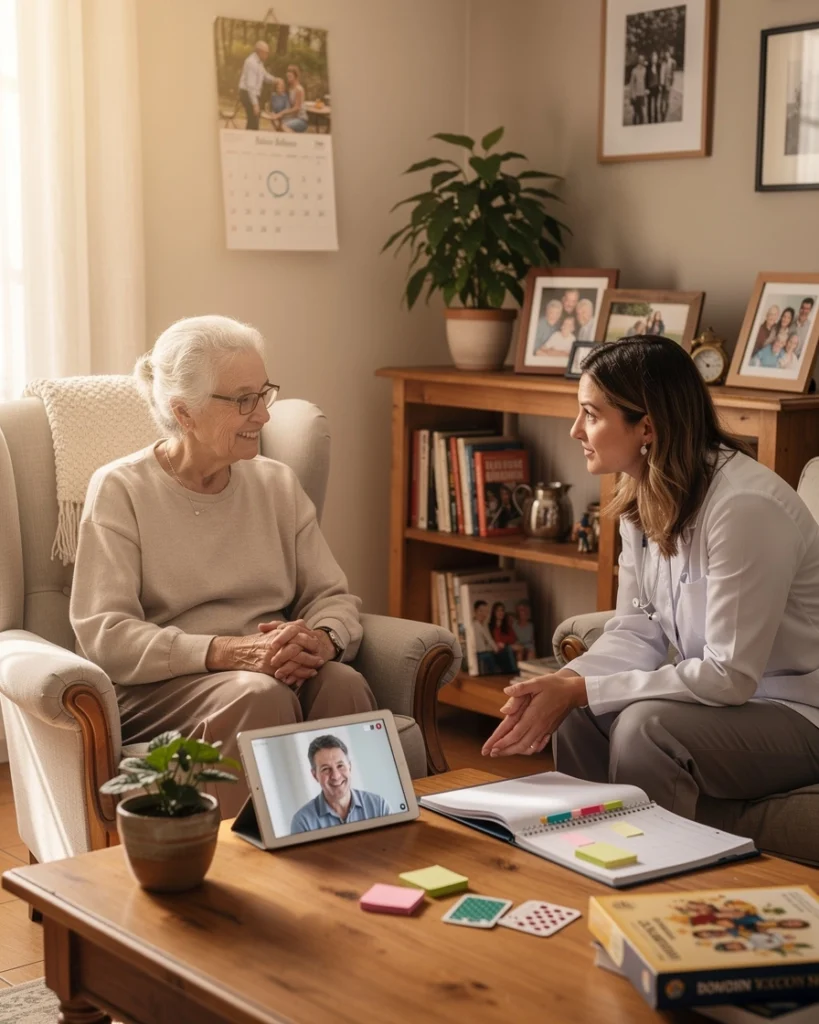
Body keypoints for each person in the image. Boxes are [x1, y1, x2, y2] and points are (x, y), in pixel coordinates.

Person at [481, 336, 819, 823]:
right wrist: (566, 684)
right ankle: (585, 852)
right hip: (730, 704)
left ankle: (652, 865)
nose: (576, 429)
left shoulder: (745, 508)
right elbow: (638, 630)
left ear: (647, 427)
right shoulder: (641, 495)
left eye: (590, 414)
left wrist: (583, 690)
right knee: (579, 715)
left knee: (645, 728)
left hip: (798, 712)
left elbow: (730, 676)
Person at [69, 316, 377, 819]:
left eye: (264, 393)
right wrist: (228, 651)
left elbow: (331, 596)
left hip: (268, 668)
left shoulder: (276, 484)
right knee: (261, 694)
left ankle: (350, 846)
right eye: (243, 400)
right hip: (163, 685)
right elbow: (107, 634)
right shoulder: (121, 489)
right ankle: (238, 859)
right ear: (184, 412)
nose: (264, 415)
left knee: (342, 682)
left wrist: (322, 640)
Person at [289, 734, 390, 833]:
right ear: (315, 775)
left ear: (349, 767)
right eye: (326, 769)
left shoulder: (378, 806)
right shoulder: (303, 823)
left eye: (340, 766)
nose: (336, 776)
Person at [238, 40, 279, 131]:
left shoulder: (259, 62)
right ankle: (250, 138)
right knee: (254, 120)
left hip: (251, 93)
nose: (267, 55)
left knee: (253, 120)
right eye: (266, 53)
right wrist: (255, 104)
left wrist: (275, 79)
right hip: (247, 93)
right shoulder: (251, 62)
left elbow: (265, 75)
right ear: (260, 52)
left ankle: (250, 137)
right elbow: (250, 86)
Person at [272, 64, 308, 133]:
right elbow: (286, 104)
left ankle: (296, 139)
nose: (288, 78)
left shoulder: (299, 89)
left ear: (296, 76)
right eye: (287, 76)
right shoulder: (290, 88)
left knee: (283, 126)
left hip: (301, 120)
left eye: (290, 76)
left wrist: (281, 113)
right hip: (292, 118)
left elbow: (297, 108)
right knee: (277, 123)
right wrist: (276, 113)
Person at [628, 56, 647, 125]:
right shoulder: (634, 70)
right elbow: (631, 84)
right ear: (638, 61)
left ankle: (640, 127)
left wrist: (645, 91)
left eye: (642, 60)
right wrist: (633, 95)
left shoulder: (645, 70)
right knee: (636, 113)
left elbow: (646, 82)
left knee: (641, 113)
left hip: (642, 94)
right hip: (636, 95)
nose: (641, 62)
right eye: (640, 60)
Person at [659, 47, 676, 120]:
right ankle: (661, 113)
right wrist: (660, 84)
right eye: (665, 53)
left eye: (667, 53)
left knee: (667, 100)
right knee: (661, 100)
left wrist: (671, 84)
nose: (666, 54)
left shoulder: (672, 62)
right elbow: (661, 73)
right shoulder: (662, 62)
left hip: (668, 84)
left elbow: (673, 74)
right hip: (662, 84)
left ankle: (665, 115)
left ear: (669, 53)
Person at [646, 52, 660, 124]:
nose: (655, 60)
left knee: (656, 105)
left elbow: (660, 76)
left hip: (656, 88)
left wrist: (659, 85)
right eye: (653, 58)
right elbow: (646, 78)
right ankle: (649, 120)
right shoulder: (648, 66)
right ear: (651, 59)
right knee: (649, 105)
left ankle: (656, 119)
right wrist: (646, 88)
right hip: (649, 89)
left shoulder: (658, 66)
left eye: (656, 58)